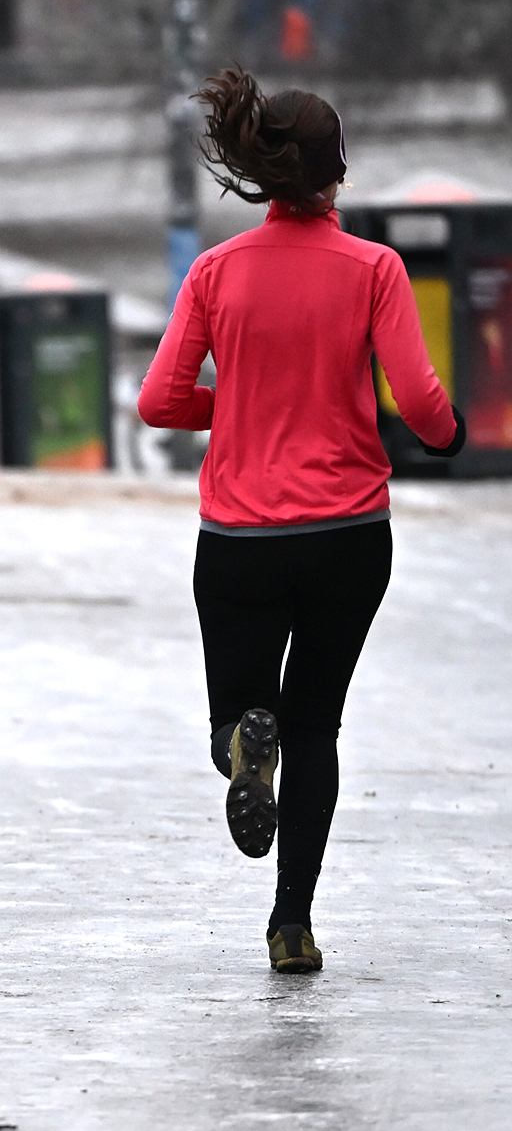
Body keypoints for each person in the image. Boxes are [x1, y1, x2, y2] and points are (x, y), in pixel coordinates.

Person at [137, 65, 464, 974]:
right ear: (336, 176)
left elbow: (162, 401)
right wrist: (447, 435)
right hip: (349, 539)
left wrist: (237, 405)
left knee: (245, 714)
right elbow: (422, 402)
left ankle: (243, 740)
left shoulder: (215, 273)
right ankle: (292, 925)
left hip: (239, 540)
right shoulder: (374, 269)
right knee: (317, 724)